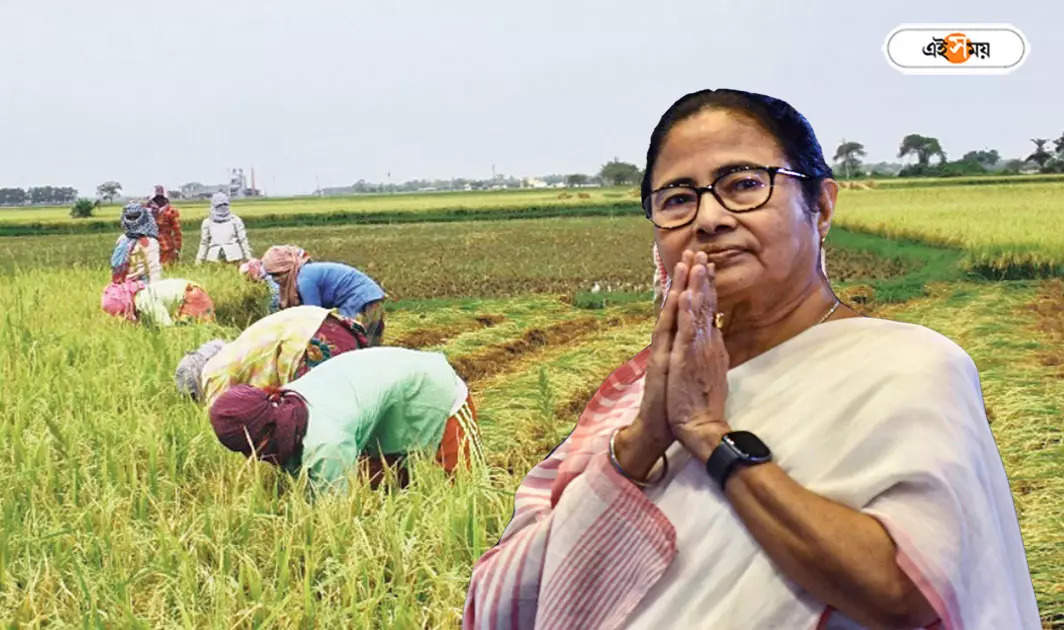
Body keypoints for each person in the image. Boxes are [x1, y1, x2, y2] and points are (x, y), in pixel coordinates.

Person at [463, 89, 1039, 629]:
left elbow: (901, 589)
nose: (708, 218)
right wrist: (642, 443)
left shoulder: (907, 366)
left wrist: (709, 435)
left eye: (742, 184)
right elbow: (500, 602)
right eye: (678, 198)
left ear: (822, 206)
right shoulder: (645, 394)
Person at [207, 346, 481, 493]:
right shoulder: (286, 407)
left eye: (252, 448)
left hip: (431, 389)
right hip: (383, 390)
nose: (252, 459)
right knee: (387, 485)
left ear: (265, 430)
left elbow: (333, 520)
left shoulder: (327, 443)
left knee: (466, 489)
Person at [174, 305, 370, 408]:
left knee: (326, 414)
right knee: (359, 399)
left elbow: (223, 419)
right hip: (331, 326)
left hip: (309, 343)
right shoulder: (233, 349)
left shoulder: (212, 374)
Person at [244, 245, 387, 346]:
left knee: (354, 338)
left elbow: (314, 315)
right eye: (271, 275)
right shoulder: (300, 276)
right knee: (358, 340)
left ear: (288, 269)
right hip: (358, 296)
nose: (275, 279)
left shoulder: (304, 280)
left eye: (277, 275)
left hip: (361, 296)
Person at [100, 277, 214, 327]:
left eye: (121, 313)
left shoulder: (144, 301)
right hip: (187, 293)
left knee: (192, 329)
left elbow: (166, 324)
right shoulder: (139, 296)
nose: (122, 317)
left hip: (191, 296)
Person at [110, 203, 163, 284]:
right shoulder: (122, 239)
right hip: (123, 282)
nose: (132, 220)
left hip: (142, 283)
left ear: (144, 218)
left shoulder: (150, 242)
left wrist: (154, 289)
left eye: (135, 217)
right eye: (129, 217)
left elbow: (154, 268)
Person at [195, 192, 253, 264]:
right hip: (214, 259)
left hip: (234, 258)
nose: (222, 207)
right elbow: (204, 243)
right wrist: (199, 260)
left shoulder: (235, 220)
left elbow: (243, 240)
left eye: (224, 204)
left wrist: (249, 258)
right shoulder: (207, 222)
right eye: (219, 205)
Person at [145, 185, 183, 266]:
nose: (159, 200)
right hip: (165, 244)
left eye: (160, 198)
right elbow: (177, 231)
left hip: (149, 244)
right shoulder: (171, 211)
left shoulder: (144, 210)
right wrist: (178, 247)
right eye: (157, 198)